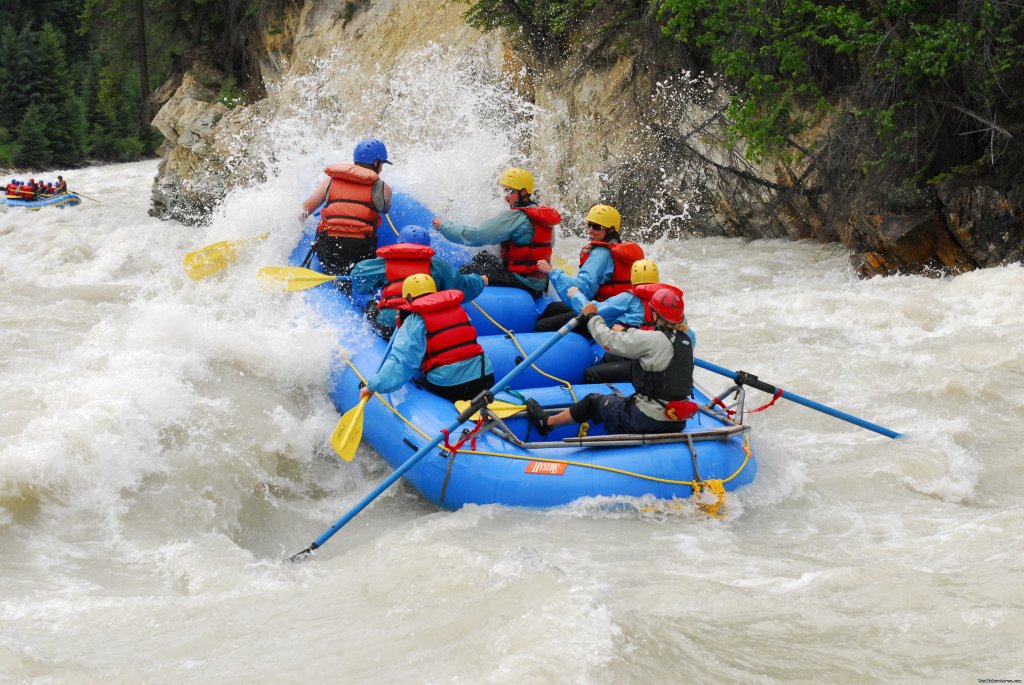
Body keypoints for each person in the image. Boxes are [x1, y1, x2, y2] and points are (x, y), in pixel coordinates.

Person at [525, 288, 698, 437]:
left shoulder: (654, 339)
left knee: (593, 401)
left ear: (656, 314)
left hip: (647, 418)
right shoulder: (686, 341)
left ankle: (546, 423)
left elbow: (608, 340)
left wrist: (592, 316)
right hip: (676, 421)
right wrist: (628, 331)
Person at [358, 273, 495, 403]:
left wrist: (372, 386)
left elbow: (402, 363)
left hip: (450, 387)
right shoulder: (460, 310)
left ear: (409, 297)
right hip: (485, 378)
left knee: (418, 377)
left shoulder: (415, 320)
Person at [431, 167, 560, 297]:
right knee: (482, 256)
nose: (506, 197)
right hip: (539, 282)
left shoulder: (516, 217)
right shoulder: (541, 216)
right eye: (505, 190)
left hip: (523, 281)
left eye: (510, 191)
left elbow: (476, 236)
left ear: (524, 192)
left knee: (466, 269)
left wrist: (444, 226)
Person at [350, 224, 488, 338]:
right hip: (423, 327)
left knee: (371, 305)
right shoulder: (436, 266)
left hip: (389, 325)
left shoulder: (383, 263)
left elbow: (359, 283)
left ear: (399, 243)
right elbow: (462, 288)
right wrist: (479, 281)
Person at [534, 203, 644, 332]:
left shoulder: (601, 254)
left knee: (542, 326)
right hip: (610, 309)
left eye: (596, 227)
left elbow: (582, 289)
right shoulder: (618, 250)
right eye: (589, 225)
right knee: (553, 307)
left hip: (601, 316)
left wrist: (551, 272)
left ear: (610, 230)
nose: (590, 230)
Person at [301, 137, 393, 278]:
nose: (381, 168)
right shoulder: (383, 189)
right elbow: (386, 209)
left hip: (328, 250)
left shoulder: (330, 181)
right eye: (381, 164)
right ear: (376, 163)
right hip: (360, 253)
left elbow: (304, 211)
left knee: (331, 261)